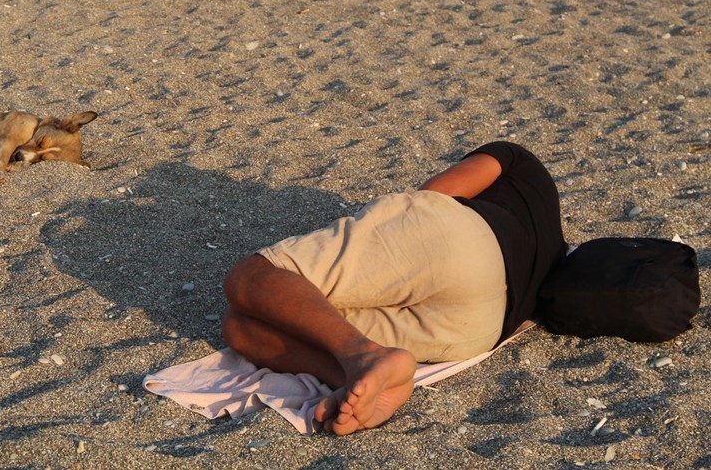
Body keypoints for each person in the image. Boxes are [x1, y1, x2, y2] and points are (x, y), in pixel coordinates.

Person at [221, 142, 566, 435]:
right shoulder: (550, 254)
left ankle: (363, 354)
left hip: (462, 241)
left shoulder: (516, 159)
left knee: (251, 277)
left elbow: (433, 195)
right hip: (480, 329)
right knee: (242, 326)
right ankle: (357, 378)